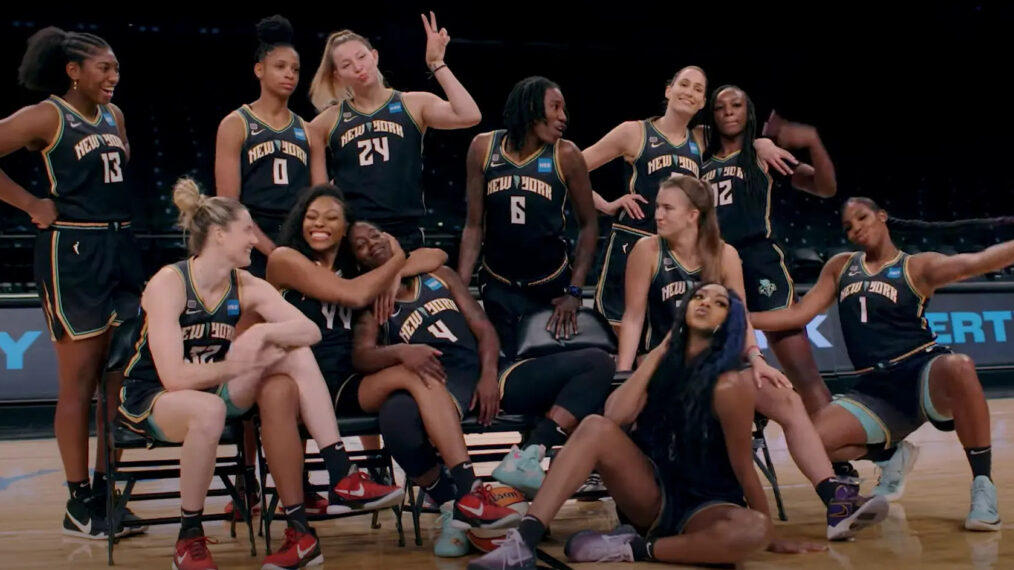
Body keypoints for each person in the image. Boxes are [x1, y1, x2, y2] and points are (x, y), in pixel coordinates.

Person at [468, 284, 829, 570]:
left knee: (752, 530)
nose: (704, 303)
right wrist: (662, 350)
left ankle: (634, 549)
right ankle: (521, 545)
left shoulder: (731, 384)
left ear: (727, 322)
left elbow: (743, 467)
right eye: (698, 296)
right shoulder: (658, 363)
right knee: (593, 426)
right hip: (651, 494)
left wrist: (769, 534)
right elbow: (615, 417)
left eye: (718, 302)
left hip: (707, 506)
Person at [619, 174, 887, 539]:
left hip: (721, 366)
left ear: (693, 215)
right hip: (672, 367)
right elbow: (633, 317)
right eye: (658, 207)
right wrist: (625, 372)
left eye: (667, 207)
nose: (658, 214)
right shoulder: (646, 251)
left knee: (787, 399)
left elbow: (740, 315)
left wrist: (757, 359)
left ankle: (836, 502)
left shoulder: (724, 254)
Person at [751, 196, 1009, 532]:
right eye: (848, 226)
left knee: (959, 365)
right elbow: (799, 314)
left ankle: (983, 487)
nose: (856, 228)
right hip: (876, 391)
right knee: (813, 441)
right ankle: (890, 455)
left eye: (862, 218)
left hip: (921, 373)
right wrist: (741, 316)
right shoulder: (841, 266)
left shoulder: (917, 266)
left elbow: (979, 261)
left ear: (882, 217)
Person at [0, 26, 145, 538]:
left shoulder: (114, 115)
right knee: (79, 381)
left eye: (117, 68)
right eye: (104, 67)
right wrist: (31, 204)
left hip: (121, 246)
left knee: (118, 377)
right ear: (74, 71)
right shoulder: (46, 115)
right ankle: (77, 501)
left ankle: (107, 491)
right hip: (73, 252)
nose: (113, 76)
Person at [347, 220, 532, 556]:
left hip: (466, 371)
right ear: (357, 261)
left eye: (375, 233)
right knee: (396, 421)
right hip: (422, 375)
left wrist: (489, 373)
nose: (372, 242)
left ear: (391, 236)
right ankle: (453, 502)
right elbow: (362, 356)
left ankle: (473, 492)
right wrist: (401, 351)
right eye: (361, 244)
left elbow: (482, 326)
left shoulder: (439, 274)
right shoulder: (369, 298)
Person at [581, 66, 797, 334]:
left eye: (698, 89)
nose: (689, 92)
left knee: (667, 341)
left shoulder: (701, 139)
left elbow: (738, 138)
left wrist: (761, 144)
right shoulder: (633, 132)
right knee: (617, 336)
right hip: (632, 241)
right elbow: (571, 169)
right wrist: (605, 204)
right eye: (684, 84)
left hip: (675, 253)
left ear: (703, 102)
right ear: (669, 90)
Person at [700, 85, 836, 416]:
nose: (729, 111)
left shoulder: (763, 155)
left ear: (749, 113)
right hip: (712, 267)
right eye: (720, 107)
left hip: (760, 263)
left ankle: (838, 452)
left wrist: (812, 142)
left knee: (802, 371)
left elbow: (825, 187)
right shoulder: (698, 159)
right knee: (711, 374)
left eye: (736, 105)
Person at [307, 12, 481, 249]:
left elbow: (469, 115)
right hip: (354, 235)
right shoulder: (329, 120)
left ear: (375, 56)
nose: (358, 67)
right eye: (347, 65)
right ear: (339, 76)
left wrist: (437, 63)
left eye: (361, 57)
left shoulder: (413, 104)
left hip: (406, 231)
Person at [457, 76, 597, 360]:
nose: (563, 117)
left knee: (545, 365)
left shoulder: (567, 154)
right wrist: (459, 289)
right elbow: (474, 226)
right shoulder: (483, 148)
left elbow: (589, 226)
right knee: (499, 364)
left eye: (564, 109)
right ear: (531, 108)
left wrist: (574, 291)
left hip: (550, 284)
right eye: (555, 107)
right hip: (497, 282)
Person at [214, 15, 318, 279]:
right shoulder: (236, 124)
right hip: (250, 238)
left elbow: (321, 199)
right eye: (280, 66)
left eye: (295, 69)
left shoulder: (308, 131)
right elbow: (229, 204)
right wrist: (271, 250)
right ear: (259, 70)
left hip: (299, 236)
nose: (289, 74)